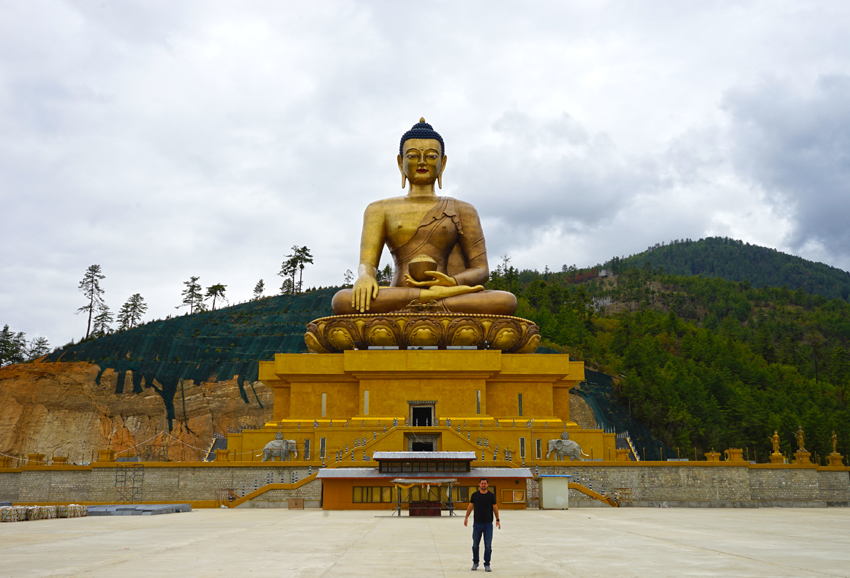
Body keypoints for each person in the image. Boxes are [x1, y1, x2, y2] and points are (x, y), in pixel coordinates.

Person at [331, 118, 517, 316]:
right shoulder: (379, 209)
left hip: (447, 292)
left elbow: (481, 270)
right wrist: (366, 277)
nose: (421, 162)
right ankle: (427, 301)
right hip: (401, 293)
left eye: (430, 156)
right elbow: (367, 264)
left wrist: (452, 282)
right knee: (342, 300)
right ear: (400, 162)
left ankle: (424, 303)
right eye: (412, 156)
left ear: (442, 163)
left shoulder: (463, 209)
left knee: (505, 301)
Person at [464, 478, 500, 572]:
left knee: (488, 546)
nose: (483, 485)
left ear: (488, 485)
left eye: (485, 483)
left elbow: (495, 507)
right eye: (482, 483)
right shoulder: (475, 495)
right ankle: (475, 563)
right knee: (475, 545)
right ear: (479, 484)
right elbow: (470, 506)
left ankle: (487, 564)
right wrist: (466, 517)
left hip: (488, 524)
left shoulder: (491, 496)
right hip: (477, 524)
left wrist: (497, 519)